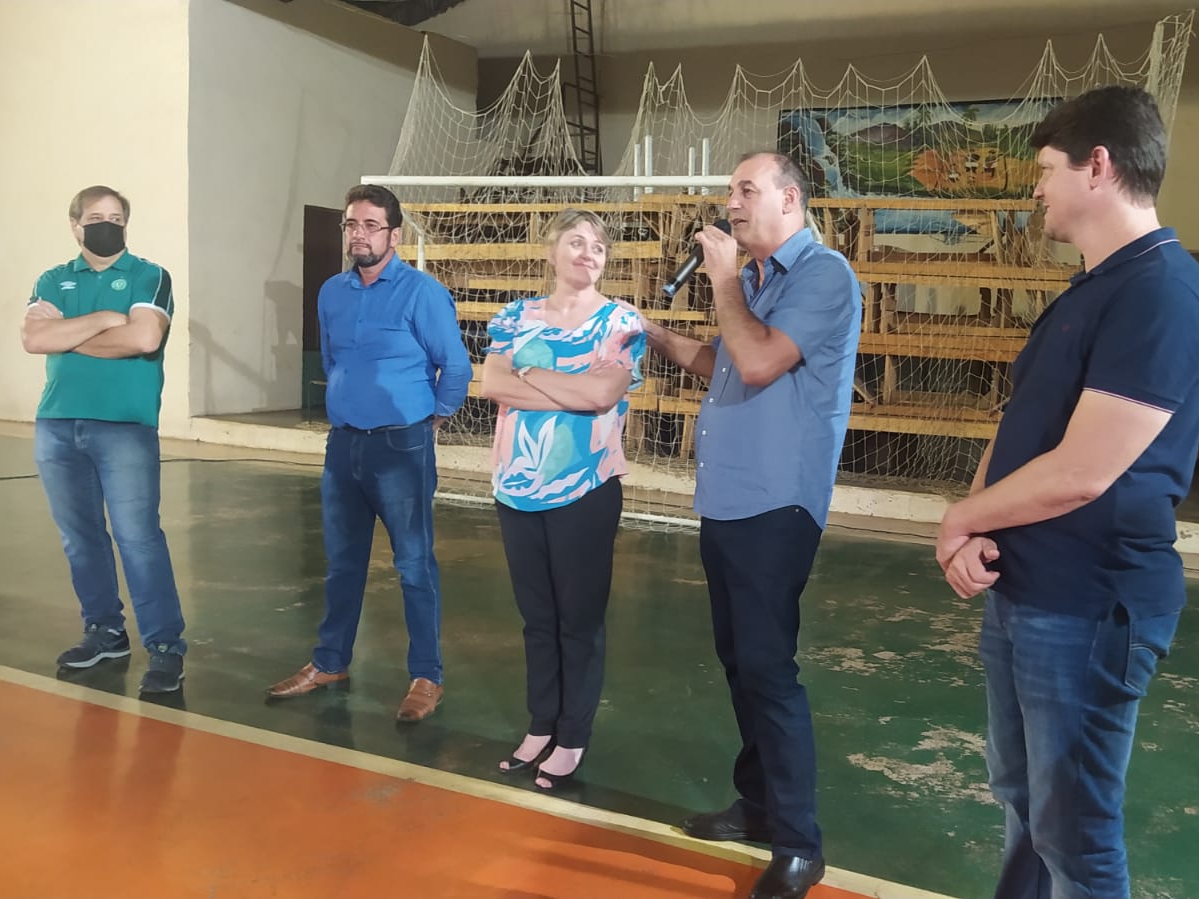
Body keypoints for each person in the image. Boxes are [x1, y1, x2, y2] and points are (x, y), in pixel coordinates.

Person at [935, 86, 1199, 899]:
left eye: (1046, 170)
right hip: (1027, 589)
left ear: (1098, 166)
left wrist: (959, 517)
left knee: (1076, 835)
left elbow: (1083, 470)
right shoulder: (1093, 287)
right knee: (1025, 805)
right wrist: (976, 526)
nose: (1037, 189)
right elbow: (1022, 421)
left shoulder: (1162, 293)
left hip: (1089, 606)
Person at [645, 152, 860, 899]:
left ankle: (799, 844)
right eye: (730, 190)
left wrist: (724, 280)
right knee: (740, 661)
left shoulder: (824, 275)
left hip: (778, 503)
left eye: (745, 189)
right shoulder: (760, 282)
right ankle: (760, 804)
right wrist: (656, 335)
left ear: (790, 199)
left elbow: (762, 361)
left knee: (769, 668)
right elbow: (731, 363)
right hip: (729, 500)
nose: (731, 202)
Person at [266, 184, 471, 722]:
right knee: (342, 564)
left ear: (394, 236)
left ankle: (427, 675)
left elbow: (456, 367)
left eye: (371, 225)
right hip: (343, 446)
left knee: (413, 565)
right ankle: (330, 662)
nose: (359, 234)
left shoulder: (422, 293)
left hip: (402, 447)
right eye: (352, 225)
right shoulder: (331, 292)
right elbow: (333, 359)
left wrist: (431, 418)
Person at [478, 209, 645, 791]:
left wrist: (528, 374)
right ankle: (540, 723)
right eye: (576, 241)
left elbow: (602, 395)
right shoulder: (514, 316)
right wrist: (567, 389)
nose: (587, 253)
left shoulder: (621, 322)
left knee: (579, 620)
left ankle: (572, 735)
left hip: (585, 489)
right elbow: (492, 383)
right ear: (551, 251)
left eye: (598, 246)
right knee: (537, 619)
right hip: (516, 489)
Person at [21, 185, 187, 694]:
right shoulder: (53, 278)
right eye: (96, 218)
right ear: (75, 225)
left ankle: (165, 647)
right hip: (57, 425)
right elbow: (34, 338)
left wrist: (68, 335)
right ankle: (105, 631)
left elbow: (144, 337)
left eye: (116, 218)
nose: (107, 226)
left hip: (124, 427)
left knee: (139, 538)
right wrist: (103, 321)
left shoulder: (148, 275)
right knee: (81, 537)